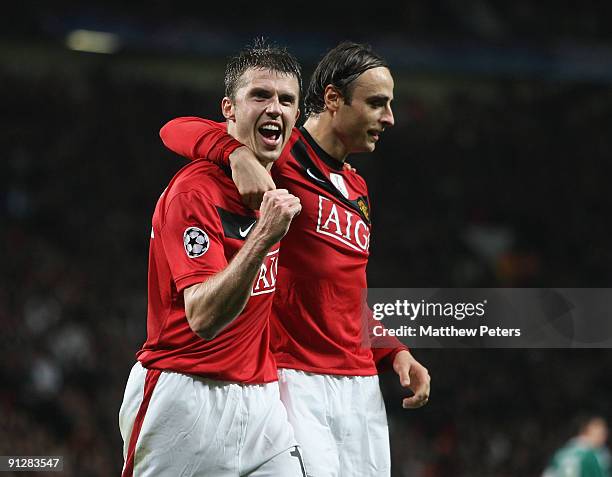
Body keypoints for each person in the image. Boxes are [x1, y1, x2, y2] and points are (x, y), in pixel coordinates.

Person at [160, 42, 431, 477]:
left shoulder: (357, 187)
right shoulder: (281, 153)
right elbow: (175, 129)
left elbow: (343, 293)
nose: (389, 118)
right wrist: (236, 154)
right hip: (295, 376)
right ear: (333, 99)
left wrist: (392, 351)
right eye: (377, 103)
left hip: (360, 384)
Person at [119, 40, 307, 477]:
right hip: (186, 397)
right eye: (259, 96)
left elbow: (177, 129)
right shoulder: (195, 192)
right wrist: (263, 235)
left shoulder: (283, 163)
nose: (274, 108)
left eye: (286, 100)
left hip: (262, 402)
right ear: (229, 109)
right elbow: (203, 318)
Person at [543, 416, 610, 477]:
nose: (604, 438)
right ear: (585, 432)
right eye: (600, 434)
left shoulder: (561, 453)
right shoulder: (591, 455)